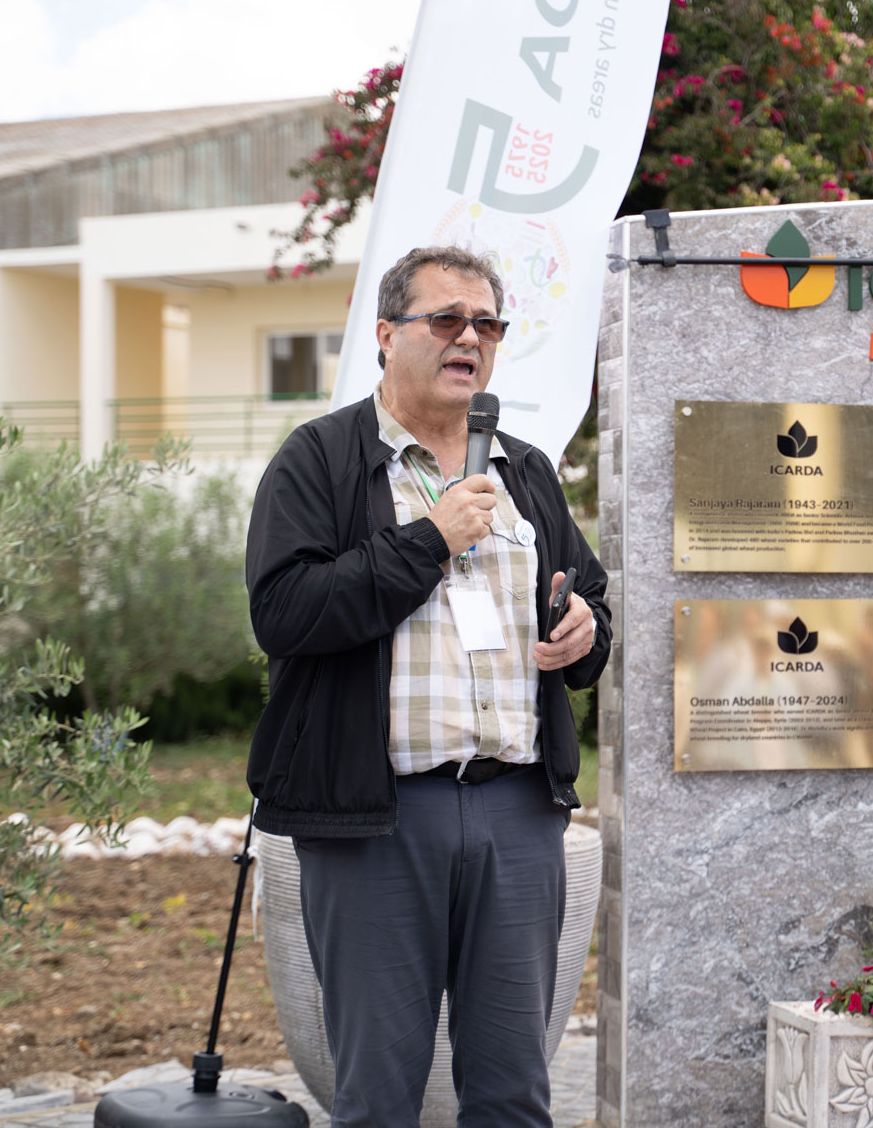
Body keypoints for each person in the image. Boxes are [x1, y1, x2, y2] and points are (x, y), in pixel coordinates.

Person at [244, 245, 609, 1127]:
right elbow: (284, 612)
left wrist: (584, 631)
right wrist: (429, 539)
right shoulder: (321, 460)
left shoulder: (521, 468)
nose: (469, 338)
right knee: (377, 1096)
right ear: (385, 334)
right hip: (377, 819)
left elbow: (587, 593)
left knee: (514, 1092)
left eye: (485, 323)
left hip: (517, 812)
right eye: (445, 319)